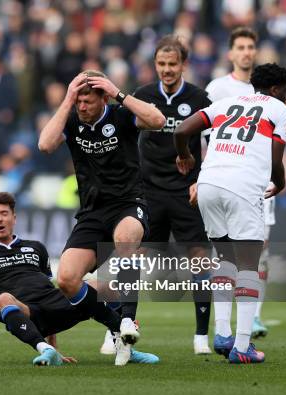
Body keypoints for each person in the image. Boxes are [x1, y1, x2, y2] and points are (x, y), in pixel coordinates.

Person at [38, 70, 165, 364]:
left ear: (103, 98)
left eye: (87, 101)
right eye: (78, 100)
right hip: (92, 213)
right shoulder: (72, 118)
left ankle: (130, 320)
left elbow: (157, 121)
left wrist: (119, 92)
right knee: (67, 279)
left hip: (128, 203)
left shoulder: (121, 115)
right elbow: (45, 145)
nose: (82, 107)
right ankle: (117, 329)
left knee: (125, 238)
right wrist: (68, 98)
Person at [0, 192, 160, 366]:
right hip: (27, 313)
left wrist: (58, 348)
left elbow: (50, 289)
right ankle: (44, 348)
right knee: (3, 298)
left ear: (14, 217)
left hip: (58, 307)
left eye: (4, 213)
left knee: (104, 286)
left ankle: (124, 347)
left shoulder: (36, 248)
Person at [174, 63, 286, 364]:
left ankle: (223, 334)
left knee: (224, 259)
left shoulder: (225, 104)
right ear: (277, 89)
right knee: (248, 266)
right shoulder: (278, 110)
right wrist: (280, 183)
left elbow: (182, 129)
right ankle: (242, 347)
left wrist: (185, 155)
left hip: (208, 185)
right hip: (242, 186)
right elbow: (274, 159)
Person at [101, 34, 212, 356]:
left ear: (184, 65)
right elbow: (122, 137)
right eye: (162, 64)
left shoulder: (199, 97)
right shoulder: (143, 96)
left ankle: (201, 335)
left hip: (186, 191)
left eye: (172, 64)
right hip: (147, 190)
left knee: (199, 260)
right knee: (132, 256)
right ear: (155, 65)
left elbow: (213, 143)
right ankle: (122, 328)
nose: (167, 69)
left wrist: (201, 179)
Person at [205, 27, 271, 338]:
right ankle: (225, 325)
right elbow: (204, 137)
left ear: (255, 53)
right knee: (226, 253)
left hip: (258, 181)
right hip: (223, 178)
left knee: (261, 251)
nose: (246, 52)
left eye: (250, 47)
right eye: (240, 47)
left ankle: (253, 317)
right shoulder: (217, 89)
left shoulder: (266, 90)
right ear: (231, 53)